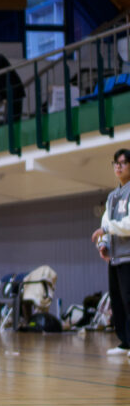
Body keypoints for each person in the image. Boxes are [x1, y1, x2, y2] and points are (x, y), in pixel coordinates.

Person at [93, 149, 130, 358]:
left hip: (129, 257)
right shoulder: (112, 196)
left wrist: (107, 230)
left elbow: (128, 224)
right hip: (115, 259)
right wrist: (103, 243)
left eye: (123, 163)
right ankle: (125, 341)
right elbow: (105, 223)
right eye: (115, 163)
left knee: (129, 299)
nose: (118, 166)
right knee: (118, 301)